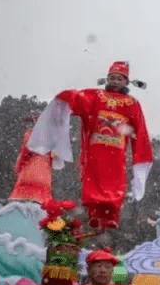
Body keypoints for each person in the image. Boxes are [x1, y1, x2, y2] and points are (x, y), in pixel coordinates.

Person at [28, 61, 153, 228]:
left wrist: (141, 157)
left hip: (116, 154)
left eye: (119, 79)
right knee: (93, 183)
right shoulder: (96, 97)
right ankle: (94, 215)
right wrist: (66, 97)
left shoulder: (132, 104)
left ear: (126, 82)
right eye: (112, 78)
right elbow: (78, 99)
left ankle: (111, 217)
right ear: (107, 79)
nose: (115, 81)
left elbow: (140, 131)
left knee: (115, 185)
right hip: (96, 151)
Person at [8, 110, 54, 204]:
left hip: (30, 172)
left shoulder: (31, 135)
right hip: (45, 176)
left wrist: (18, 168)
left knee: (20, 205)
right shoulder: (51, 138)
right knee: (41, 206)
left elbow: (25, 153)